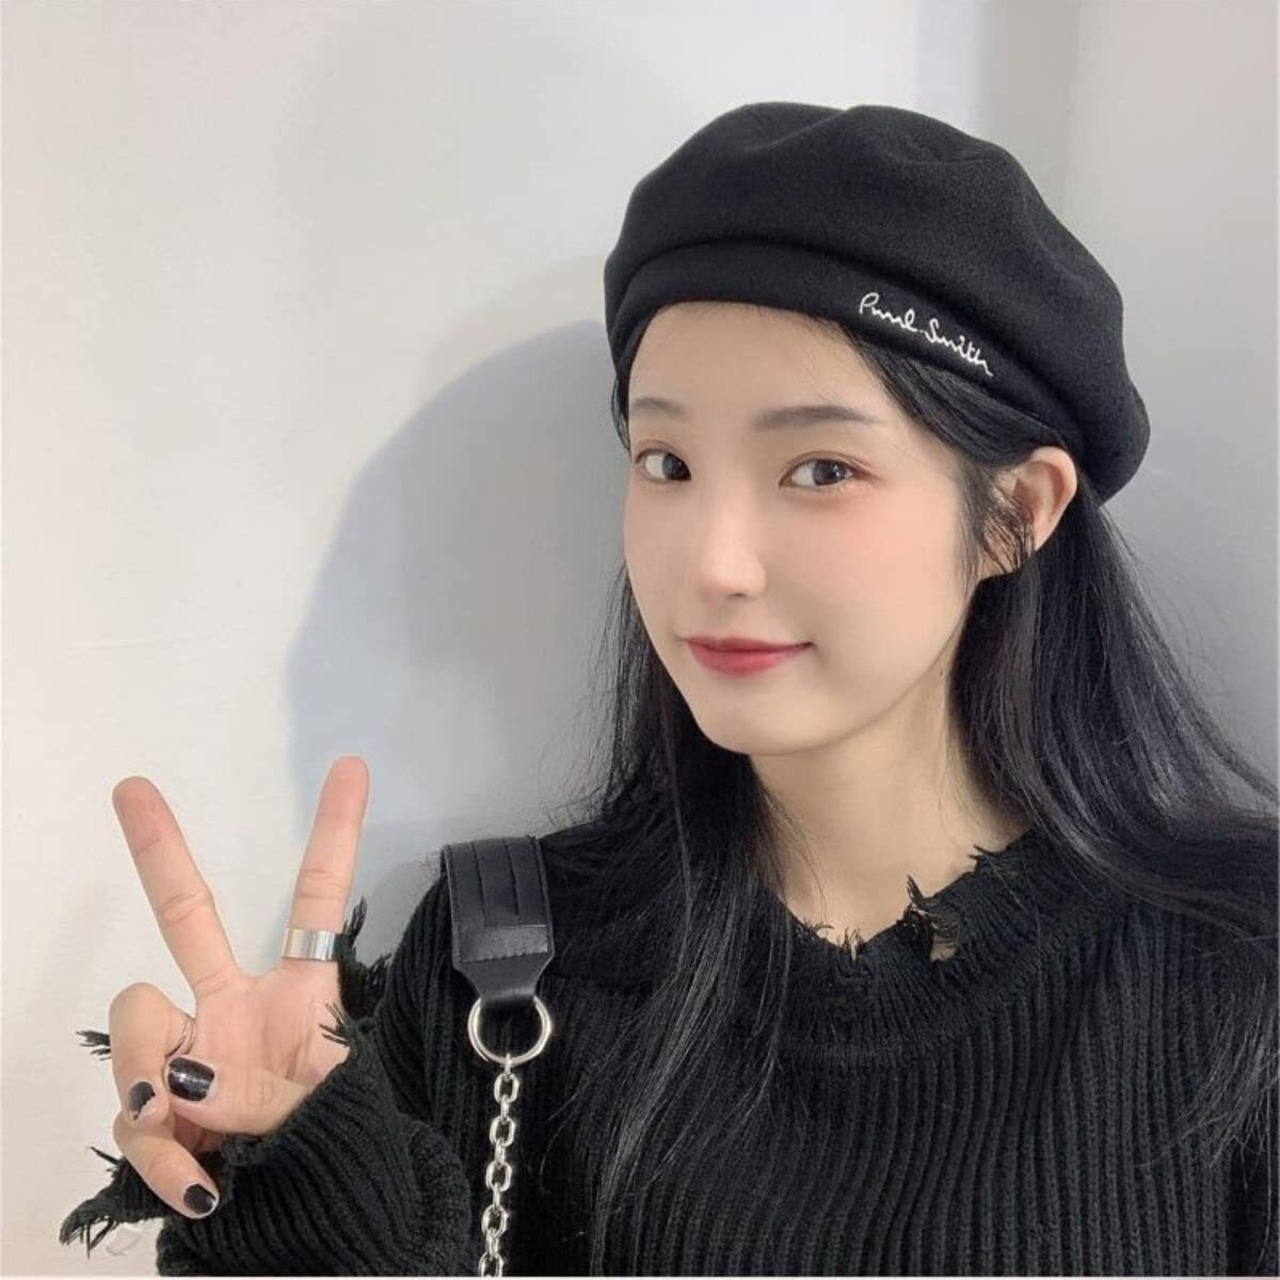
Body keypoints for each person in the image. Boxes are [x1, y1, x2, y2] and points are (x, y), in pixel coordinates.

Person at [60, 101, 1276, 1276]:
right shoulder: (502, 964)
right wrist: (315, 1201)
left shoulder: (1236, 975)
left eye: (818, 467)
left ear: (1014, 511)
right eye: (665, 461)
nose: (711, 564)